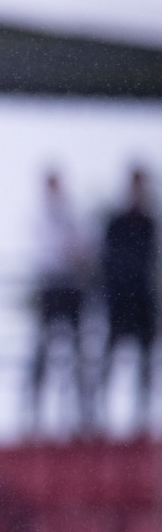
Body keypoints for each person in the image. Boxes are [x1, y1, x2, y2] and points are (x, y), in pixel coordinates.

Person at [25, 169, 91, 431]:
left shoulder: (72, 215)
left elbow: (84, 248)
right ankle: (33, 414)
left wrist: (71, 252)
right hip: (50, 288)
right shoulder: (39, 217)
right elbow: (48, 252)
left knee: (76, 352)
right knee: (41, 351)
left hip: (71, 288)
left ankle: (82, 414)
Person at [99, 165, 158, 431]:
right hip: (121, 299)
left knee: (145, 359)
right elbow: (109, 261)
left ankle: (141, 414)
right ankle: (97, 413)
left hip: (141, 300)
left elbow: (148, 261)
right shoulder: (116, 222)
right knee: (110, 356)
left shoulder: (148, 223)